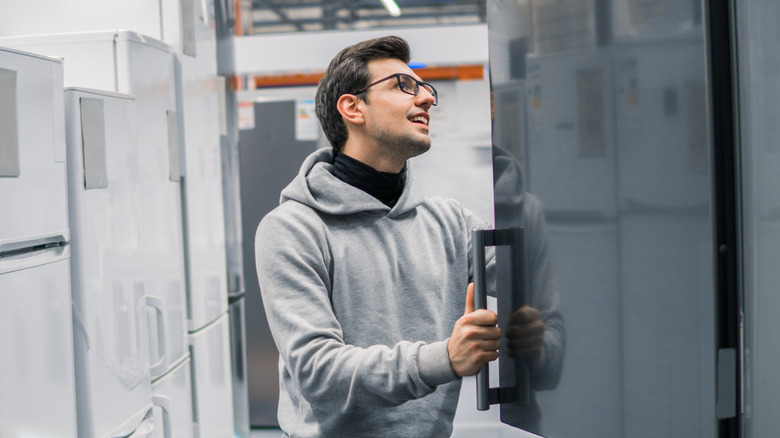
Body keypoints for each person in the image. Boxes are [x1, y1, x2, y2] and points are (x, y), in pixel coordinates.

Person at [254, 35, 547, 437]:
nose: (426, 98)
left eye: (426, 89)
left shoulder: (451, 222)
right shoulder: (292, 229)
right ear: (352, 107)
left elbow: (528, 276)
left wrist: (529, 317)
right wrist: (445, 357)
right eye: (403, 86)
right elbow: (318, 372)